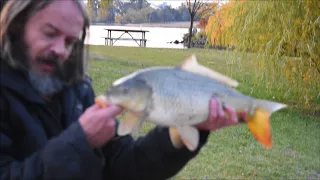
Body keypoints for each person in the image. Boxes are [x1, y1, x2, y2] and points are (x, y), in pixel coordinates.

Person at [0, 0, 243, 179]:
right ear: (16, 26)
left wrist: (181, 133)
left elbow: (127, 167)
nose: (61, 50)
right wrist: (81, 141)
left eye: (70, 42)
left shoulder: (76, 92)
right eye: (50, 33)